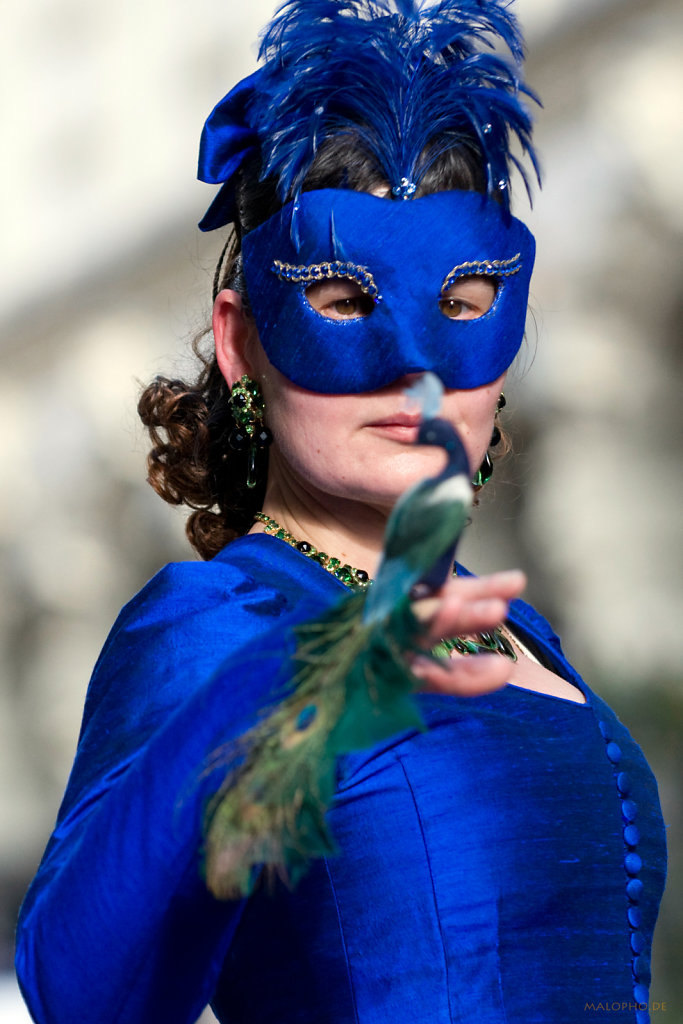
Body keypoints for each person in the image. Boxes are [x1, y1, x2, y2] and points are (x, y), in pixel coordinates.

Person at [15, 2, 666, 1022]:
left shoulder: (519, 632)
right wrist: (286, 682)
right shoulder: (217, 622)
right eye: (343, 301)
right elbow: (76, 989)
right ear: (242, 342)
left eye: (459, 303)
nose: (411, 363)